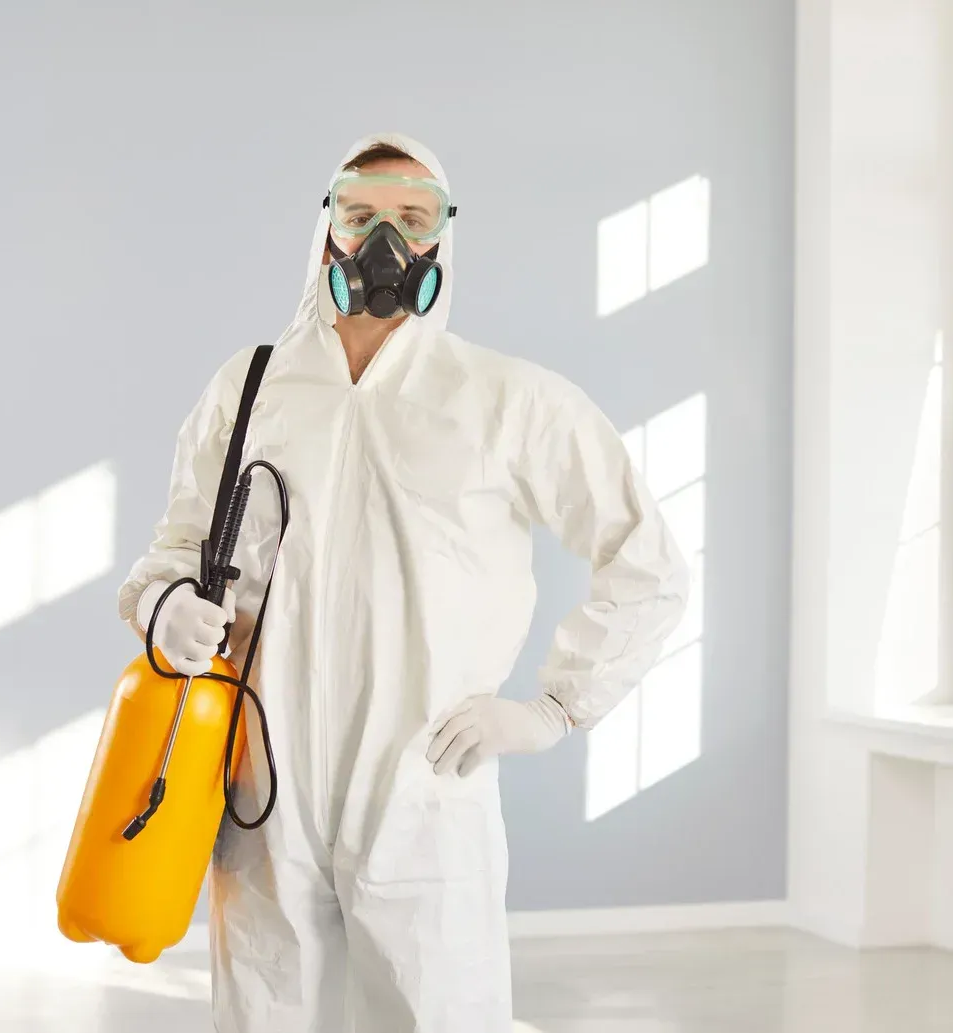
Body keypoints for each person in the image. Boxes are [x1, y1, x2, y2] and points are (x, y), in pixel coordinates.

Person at [118, 132, 689, 1033]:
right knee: (266, 1015)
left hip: (424, 784)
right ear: (327, 231)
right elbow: (171, 554)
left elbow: (648, 559)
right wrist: (165, 607)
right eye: (361, 214)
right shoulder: (252, 387)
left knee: (439, 1014)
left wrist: (554, 708)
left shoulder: (506, 399)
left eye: (413, 217)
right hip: (265, 785)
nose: (385, 238)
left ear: (441, 241)